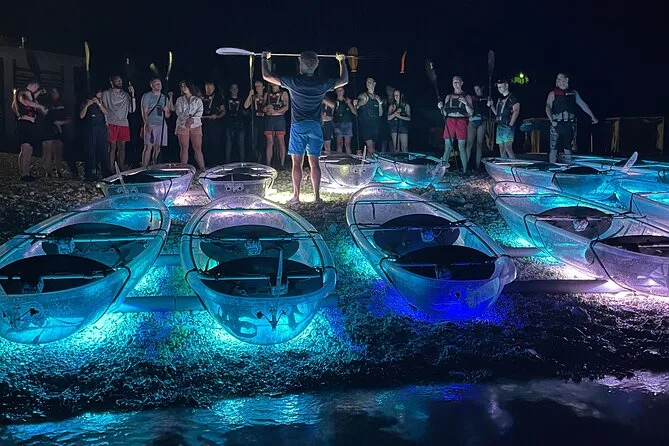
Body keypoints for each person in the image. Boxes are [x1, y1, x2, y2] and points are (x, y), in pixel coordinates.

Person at [261, 50, 348, 204]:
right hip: (315, 126)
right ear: (316, 65)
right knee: (314, 163)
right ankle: (317, 197)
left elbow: (267, 76)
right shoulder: (321, 83)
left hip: (298, 126)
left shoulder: (294, 81)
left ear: (300, 64)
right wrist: (342, 61)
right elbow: (344, 80)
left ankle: (296, 197)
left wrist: (264, 58)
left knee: (297, 163)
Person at [545, 72, 598, 163]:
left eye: (561, 78)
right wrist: (552, 121)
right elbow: (548, 107)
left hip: (569, 124)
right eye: (557, 79)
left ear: (566, 80)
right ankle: (552, 166)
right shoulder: (553, 93)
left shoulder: (573, 93)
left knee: (568, 147)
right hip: (557, 124)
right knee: (554, 147)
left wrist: (593, 116)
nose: (558, 80)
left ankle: (568, 166)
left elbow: (583, 105)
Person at [11, 79, 48, 181]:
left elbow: (30, 99)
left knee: (29, 149)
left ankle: (26, 173)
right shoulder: (22, 92)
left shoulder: (29, 94)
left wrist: (39, 93)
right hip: (24, 124)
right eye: (36, 88)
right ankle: (23, 174)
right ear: (33, 85)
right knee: (25, 148)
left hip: (30, 124)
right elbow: (26, 102)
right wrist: (40, 106)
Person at [437, 75, 474, 173]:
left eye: (458, 82)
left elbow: (471, 113)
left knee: (462, 147)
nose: (456, 84)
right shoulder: (448, 96)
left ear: (462, 83)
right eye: (454, 82)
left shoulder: (467, 96)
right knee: (448, 147)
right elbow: (444, 114)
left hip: (461, 121)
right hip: (450, 121)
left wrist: (466, 103)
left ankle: (465, 170)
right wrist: (441, 108)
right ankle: (442, 170)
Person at [102, 75, 135, 171]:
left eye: (121, 80)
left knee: (122, 147)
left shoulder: (126, 95)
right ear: (112, 82)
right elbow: (104, 109)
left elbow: (132, 110)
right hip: (111, 122)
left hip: (123, 123)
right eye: (117, 80)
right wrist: (106, 123)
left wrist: (133, 94)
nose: (120, 82)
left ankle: (121, 167)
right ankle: (111, 168)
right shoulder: (107, 94)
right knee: (112, 147)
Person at [79, 89, 110, 179]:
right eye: (100, 93)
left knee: (103, 149)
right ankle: (90, 172)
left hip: (101, 128)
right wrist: (87, 105)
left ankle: (105, 172)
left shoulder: (101, 102)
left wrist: (99, 104)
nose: (101, 94)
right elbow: (81, 116)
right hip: (90, 129)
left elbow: (106, 112)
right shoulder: (85, 102)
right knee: (90, 150)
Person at [175, 80, 205, 170]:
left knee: (198, 148)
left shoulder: (197, 100)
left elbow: (200, 112)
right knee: (184, 148)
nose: (184, 88)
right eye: (182, 86)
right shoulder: (180, 100)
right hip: (182, 125)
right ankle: (183, 170)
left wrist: (192, 119)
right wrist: (186, 120)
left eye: (185, 86)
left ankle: (202, 169)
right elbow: (179, 112)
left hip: (196, 125)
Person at [41, 88, 71, 178]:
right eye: (52, 92)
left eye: (54, 92)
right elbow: (42, 114)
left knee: (58, 150)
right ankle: (47, 171)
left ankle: (59, 170)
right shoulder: (47, 103)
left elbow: (69, 119)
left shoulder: (63, 104)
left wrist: (61, 123)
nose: (53, 94)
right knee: (47, 151)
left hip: (58, 129)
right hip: (47, 129)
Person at [140, 77, 170, 167]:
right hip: (151, 123)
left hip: (161, 124)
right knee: (148, 146)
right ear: (152, 85)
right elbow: (144, 111)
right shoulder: (147, 96)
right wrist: (147, 123)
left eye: (159, 83)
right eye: (156, 83)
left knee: (158, 147)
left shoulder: (164, 98)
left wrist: (166, 110)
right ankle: (144, 167)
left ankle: (154, 166)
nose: (159, 85)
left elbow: (168, 115)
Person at [487, 80, 520, 159]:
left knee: (508, 147)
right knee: (501, 148)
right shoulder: (500, 99)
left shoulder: (512, 98)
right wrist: (491, 106)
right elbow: (497, 113)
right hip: (499, 125)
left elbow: (516, 111)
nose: (499, 88)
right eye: (498, 87)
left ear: (506, 85)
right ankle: (504, 164)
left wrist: (510, 125)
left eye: (501, 86)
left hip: (507, 125)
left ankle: (514, 165)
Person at [263, 83, 289, 167]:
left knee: (281, 141)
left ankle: (282, 164)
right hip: (269, 119)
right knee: (269, 142)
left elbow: (286, 107)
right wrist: (266, 108)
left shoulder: (283, 93)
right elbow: (263, 108)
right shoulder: (267, 94)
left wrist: (276, 111)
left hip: (279, 119)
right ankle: (268, 163)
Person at [355, 77, 383, 155]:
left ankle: (368, 161)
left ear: (374, 83)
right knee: (371, 148)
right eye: (367, 82)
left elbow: (380, 114)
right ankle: (376, 161)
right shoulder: (364, 96)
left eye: (370, 82)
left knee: (372, 147)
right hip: (366, 124)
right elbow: (358, 105)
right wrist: (357, 103)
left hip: (375, 124)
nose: (368, 83)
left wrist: (380, 103)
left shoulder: (377, 97)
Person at [201, 81, 226, 165]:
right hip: (203, 124)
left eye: (210, 85)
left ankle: (215, 163)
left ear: (214, 87)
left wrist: (217, 116)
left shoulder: (218, 97)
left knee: (215, 143)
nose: (208, 87)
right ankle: (205, 164)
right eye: (206, 85)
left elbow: (223, 111)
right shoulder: (201, 96)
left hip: (214, 124)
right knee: (204, 144)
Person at [243, 80, 266, 163]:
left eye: (259, 86)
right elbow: (246, 106)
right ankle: (254, 159)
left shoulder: (266, 96)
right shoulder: (253, 97)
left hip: (264, 121)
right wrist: (250, 95)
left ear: (263, 87)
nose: (257, 88)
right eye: (256, 86)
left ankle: (263, 159)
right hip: (255, 121)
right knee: (254, 141)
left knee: (263, 141)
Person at [467, 85, 489, 170]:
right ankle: (465, 165)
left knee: (479, 144)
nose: (476, 91)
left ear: (482, 88)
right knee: (469, 143)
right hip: (472, 120)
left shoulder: (487, 98)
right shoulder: (472, 97)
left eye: (478, 89)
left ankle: (478, 166)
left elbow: (488, 110)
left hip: (482, 120)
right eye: (475, 89)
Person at [225, 83, 245, 162]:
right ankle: (227, 163)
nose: (234, 90)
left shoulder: (241, 100)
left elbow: (245, 110)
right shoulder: (226, 99)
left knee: (241, 144)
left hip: (240, 124)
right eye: (233, 88)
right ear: (230, 90)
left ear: (238, 90)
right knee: (228, 144)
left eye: (236, 88)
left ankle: (242, 163)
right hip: (229, 124)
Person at [333, 87, 356, 154]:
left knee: (347, 144)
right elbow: (332, 115)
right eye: (338, 90)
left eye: (341, 90)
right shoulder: (334, 102)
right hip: (338, 124)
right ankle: (339, 158)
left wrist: (349, 103)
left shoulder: (347, 101)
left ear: (344, 91)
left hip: (348, 124)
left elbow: (355, 113)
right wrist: (334, 126)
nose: (340, 92)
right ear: (336, 92)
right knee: (339, 144)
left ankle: (349, 158)